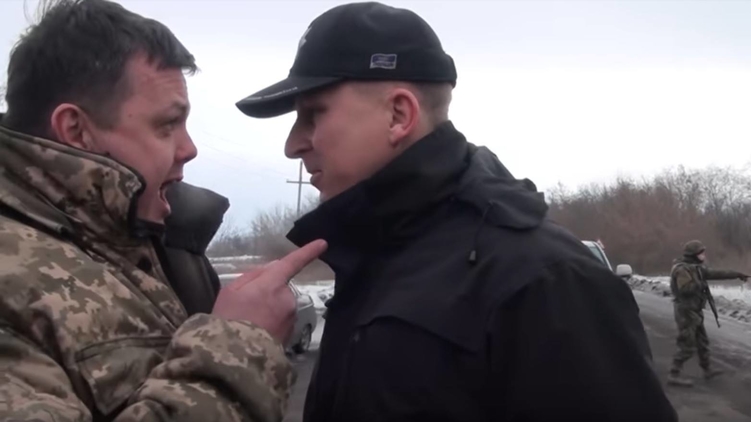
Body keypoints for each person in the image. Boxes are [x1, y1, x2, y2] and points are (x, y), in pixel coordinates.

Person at [235, 2, 678, 421]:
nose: (293, 144)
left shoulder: (545, 280)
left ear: (398, 115)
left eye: (313, 115)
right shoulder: (376, 256)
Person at [0, 0, 326, 421]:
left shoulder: (156, 243)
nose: (189, 149)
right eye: (167, 125)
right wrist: (238, 345)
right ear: (76, 130)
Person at [667, 240, 748, 387]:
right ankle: (674, 374)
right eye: (701, 253)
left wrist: (736, 274)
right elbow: (685, 289)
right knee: (687, 344)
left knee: (702, 342)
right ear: (693, 255)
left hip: (694, 311)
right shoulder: (682, 269)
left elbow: (715, 273)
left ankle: (707, 370)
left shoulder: (696, 268)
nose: (703, 255)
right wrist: (700, 283)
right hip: (686, 312)